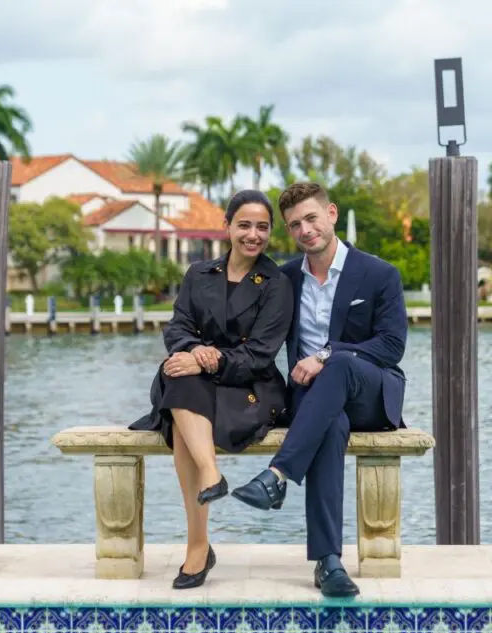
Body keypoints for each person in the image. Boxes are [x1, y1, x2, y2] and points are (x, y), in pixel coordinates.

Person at [230, 181, 408, 598]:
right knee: (330, 425)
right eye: (294, 225)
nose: (305, 230)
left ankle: (277, 475)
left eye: (311, 218)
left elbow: (391, 346)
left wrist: (326, 355)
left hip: (369, 390)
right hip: (312, 399)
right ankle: (328, 563)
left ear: (331, 214)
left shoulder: (379, 274)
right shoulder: (285, 278)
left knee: (341, 363)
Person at [129, 189, 294, 590]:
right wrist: (193, 351)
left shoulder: (277, 283)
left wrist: (208, 359)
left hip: (250, 387)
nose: (253, 235)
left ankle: (199, 544)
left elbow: (259, 354)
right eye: (244, 225)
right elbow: (178, 328)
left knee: (183, 408)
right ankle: (209, 482)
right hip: (197, 383)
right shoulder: (198, 274)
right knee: (178, 376)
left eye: (262, 227)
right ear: (227, 226)